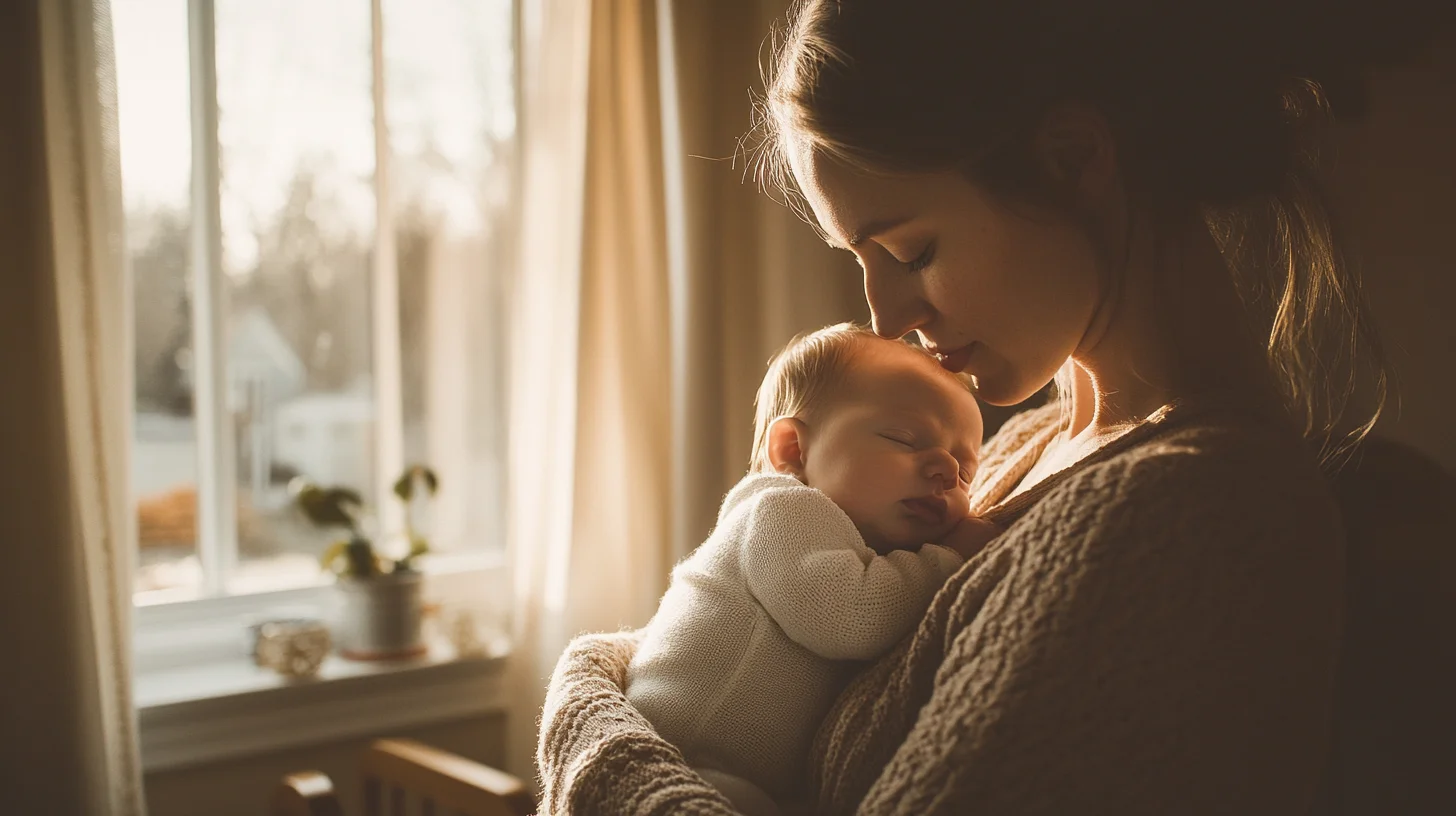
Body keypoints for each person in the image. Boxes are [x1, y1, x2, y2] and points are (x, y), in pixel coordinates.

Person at [536, 1, 1388, 813]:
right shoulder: (1030, 442)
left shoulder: (1194, 513)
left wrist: (592, 716)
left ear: (1073, 160)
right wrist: (609, 687)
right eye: (862, 260)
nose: (886, 319)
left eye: (913, 249)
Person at [624, 324, 998, 815]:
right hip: (685, 758)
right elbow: (849, 618)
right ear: (793, 452)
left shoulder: (859, 548)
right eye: (904, 439)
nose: (946, 472)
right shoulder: (784, 511)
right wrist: (947, 562)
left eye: (964, 469)